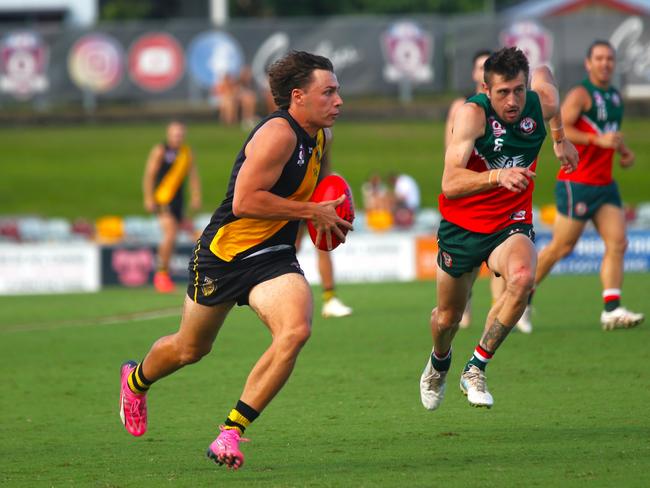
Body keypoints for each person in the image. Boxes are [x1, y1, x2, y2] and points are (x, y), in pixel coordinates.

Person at [119, 51, 350, 470]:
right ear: (297, 96)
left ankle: (230, 433)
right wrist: (312, 214)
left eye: (338, 91)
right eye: (328, 92)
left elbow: (309, 193)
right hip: (224, 256)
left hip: (272, 257)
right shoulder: (278, 134)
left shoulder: (321, 137)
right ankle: (136, 380)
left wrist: (324, 215)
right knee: (190, 349)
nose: (339, 100)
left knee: (295, 330)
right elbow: (245, 201)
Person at [420, 47, 579, 411]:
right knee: (447, 318)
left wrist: (559, 139)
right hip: (462, 226)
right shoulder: (472, 114)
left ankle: (476, 367)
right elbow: (449, 182)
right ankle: (439, 362)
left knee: (523, 278)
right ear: (486, 90)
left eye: (519, 90)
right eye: (503, 92)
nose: (513, 100)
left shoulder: (541, 103)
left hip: (510, 222)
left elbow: (547, 76)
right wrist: (496, 176)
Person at [530, 40, 644, 331]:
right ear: (588, 64)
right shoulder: (581, 94)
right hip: (576, 181)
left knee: (618, 242)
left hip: (604, 183)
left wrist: (623, 150)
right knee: (561, 247)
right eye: (599, 58)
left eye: (609, 58)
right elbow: (563, 130)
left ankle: (611, 308)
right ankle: (520, 297)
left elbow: (608, 134)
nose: (605, 63)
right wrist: (597, 141)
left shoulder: (615, 97)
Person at [445, 50, 525, 331]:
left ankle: (503, 312)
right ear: (478, 78)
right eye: (479, 67)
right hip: (468, 201)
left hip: (502, 204)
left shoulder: (512, 106)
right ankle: (463, 309)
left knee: (507, 264)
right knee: (459, 285)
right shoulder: (464, 108)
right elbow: (452, 160)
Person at [143, 121, 202, 293]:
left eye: (181, 134)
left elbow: (193, 176)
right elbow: (150, 175)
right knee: (169, 235)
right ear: (169, 134)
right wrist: (148, 198)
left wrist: (196, 196)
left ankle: (165, 272)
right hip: (163, 200)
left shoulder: (186, 153)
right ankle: (160, 274)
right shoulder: (160, 150)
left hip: (178, 202)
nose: (178, 137)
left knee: (175, 237)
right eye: (175, 134)